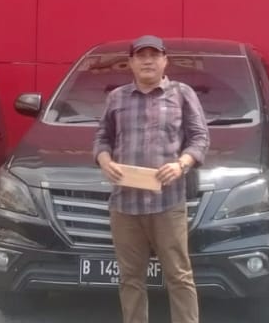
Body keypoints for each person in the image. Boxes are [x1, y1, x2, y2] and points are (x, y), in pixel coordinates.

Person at [93, 35, 211, 323]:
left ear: (165, 60)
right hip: (125, 206)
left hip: (167, 204)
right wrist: (104, 160)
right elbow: (102, 137)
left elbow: (200, 138)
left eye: (154, 55)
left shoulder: (182, 94)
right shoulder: (117, 97)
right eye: (141, 56)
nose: (148, 61)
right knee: (130, 278)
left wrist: (181, 164)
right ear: (131, 62)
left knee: (179, 276)